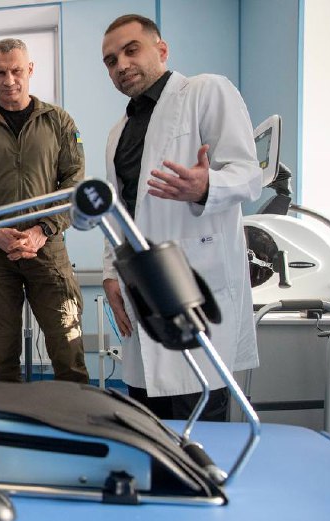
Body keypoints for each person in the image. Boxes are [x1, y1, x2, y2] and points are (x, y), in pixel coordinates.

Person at [100, 14, 262, 420]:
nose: (121, 65)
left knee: (200, 426)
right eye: (111, 60)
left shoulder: (206, 91)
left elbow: (249, 175)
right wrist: (110, 274)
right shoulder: (118, 132)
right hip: (142, 289)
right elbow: (119, 212)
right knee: (149, 421)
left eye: (131, 50)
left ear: (162, 49)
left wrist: (206, 186)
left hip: (195, 284)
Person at [0, 38, 89, 383]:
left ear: (30, 70)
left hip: (47, 248)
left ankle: (74, 415)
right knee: (2, 362)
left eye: (16, 71)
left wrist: (43, 230)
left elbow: (74, 183)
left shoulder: (59, 122)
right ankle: (7, 419)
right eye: (0, 72)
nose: (9, 80)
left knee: (68, 352)